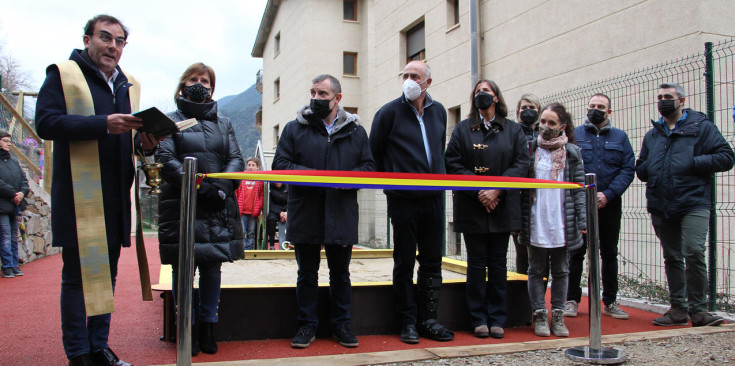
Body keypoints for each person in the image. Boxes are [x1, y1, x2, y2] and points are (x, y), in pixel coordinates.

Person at [36, 14, 160, 366]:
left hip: (117, 195)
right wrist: (102, 125)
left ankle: (99, 346)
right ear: (88, 38)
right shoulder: (63, 74)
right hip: (79, 194)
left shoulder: (128, 84)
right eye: (106, 38)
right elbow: (45, 122)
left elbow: (132, 140)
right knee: (77, 277)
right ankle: (78, 353)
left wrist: (148, 144)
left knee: (108, 274)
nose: (113, 46)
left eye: (120, 41)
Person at [273, 74, 375, 349]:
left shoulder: (356, 131)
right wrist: (317, 176)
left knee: (340, 273)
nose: (315, 99)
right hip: (306, 212)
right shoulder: (295, 129)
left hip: (341, 213)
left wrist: (344, 179)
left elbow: (368, 168)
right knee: (307, 273)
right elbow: (281, 165)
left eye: (322, 94)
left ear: (337, 99)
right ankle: (307, 325)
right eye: (313, 93)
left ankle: (341, 325)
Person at [157, 62, 245, 355]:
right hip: (182, 205)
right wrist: (198, 187)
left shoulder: (225, 123)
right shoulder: (169, 121)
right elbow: (166, 158)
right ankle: (187, 327)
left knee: (212, 267)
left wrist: (221, 188)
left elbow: (235, 159)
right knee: (183, 268)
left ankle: (208, 325)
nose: (199, 84)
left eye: (205, 80)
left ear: (212, 87)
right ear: (183, 84)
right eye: (193, 79)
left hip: (217, 206)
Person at [636, 82, 734, 327]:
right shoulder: (653, 134)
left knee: (693, 250)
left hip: (693, 201)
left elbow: (726, 157)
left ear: (681, 101)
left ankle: (699, 310)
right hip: (660, 203)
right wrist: (647, 169)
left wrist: (695, 162)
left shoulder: (702, 128)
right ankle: (678, 308)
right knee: (671, 256)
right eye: (659, 96)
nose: (662, 100)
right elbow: (641, 166)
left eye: (668, 96)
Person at [369, 61, 454, 344]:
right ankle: (407, 322)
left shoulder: (439, 111)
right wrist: (391, 186)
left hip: (434, 199)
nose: (408, 80)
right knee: (404, 261)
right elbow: (375, 154)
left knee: (432, 260)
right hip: (402, 200)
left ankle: (429, 319)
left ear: (428, 82)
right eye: (404, 75)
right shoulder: (388, 113)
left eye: (414, 76)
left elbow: (438, 148)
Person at [445, 80, 530, 339]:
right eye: (477, 92)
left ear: (496, 98)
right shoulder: (462, 129)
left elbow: (522, 162)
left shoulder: (513, 130)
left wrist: (497, 190)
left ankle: (497, 318)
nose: (481, 95)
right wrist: (480, 191)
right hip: (473, 206)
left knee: (498, 264)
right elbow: (453, 162)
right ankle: (478, 318)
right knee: (476, 263)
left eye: (486, 92)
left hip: (502, 205)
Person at [518, 103, 586, 338]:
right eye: (543, 122)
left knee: (561, 269)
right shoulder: (529, 150)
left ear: (562, 127)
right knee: (536, 269)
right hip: (536, 217)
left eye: (551, 123)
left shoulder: (573, 154)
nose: (545, 127)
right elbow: (520, 188)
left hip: (561, 220)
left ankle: (557, 315)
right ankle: (539, 314)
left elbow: (578, 190)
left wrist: (582, 220)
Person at [565, 93, 635, 320]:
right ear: (587, 108)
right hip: (580, 204)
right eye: (593, 105)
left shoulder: (620, 137)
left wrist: (609, 194)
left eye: (601, 107)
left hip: (609, 204)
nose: (596, 109)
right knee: (576, 252)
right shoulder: (575, 135)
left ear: (609, 112)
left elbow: (627, 169)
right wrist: (578, 194)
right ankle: (571, 300)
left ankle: (610, 301)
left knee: (609, 252)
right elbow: (569, 165)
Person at [512, 93, 542, 275]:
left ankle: (539, 298)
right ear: (517, 111)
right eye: (524, 108)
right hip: (519, 199)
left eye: (532, 107)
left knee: (542, 252)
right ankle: (522, 295)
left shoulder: (546, 134)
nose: (528, 111)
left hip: (541, 197)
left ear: (538, 110)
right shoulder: (512, 133)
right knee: (522, 250)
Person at [0, 131, 29, 279]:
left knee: (13, 236)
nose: (9, 143)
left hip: (15, 205)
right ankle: (7, 267)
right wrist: (13, 193)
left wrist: (22, 194)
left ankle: (14, 265)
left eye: (9, 141)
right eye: (5, 141)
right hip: (2, 205)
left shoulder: (14, 162)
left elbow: (24, 181)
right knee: (5, 235)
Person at [236, 157, 264, 250]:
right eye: (249, 165)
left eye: (253, 165)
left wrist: (258, 208)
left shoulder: (259, 179)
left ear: (257, 167)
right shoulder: (241, 177)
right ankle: (242, 248)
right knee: (242, 231)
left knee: (251, 232)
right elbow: (237, 192)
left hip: (253, 212)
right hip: (242, 210)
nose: (251, 167)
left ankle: (249, 248)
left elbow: (261, 195)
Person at [266, 182, 288, 250]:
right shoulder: (270, 188)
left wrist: (286, 212)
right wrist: (279, 212)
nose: (278, 183)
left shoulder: (287, 188)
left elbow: (290, 201)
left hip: (286, 211)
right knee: (271, 220)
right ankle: (272, 245)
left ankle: (289, 244)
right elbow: (270, 204)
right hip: (275, 211)